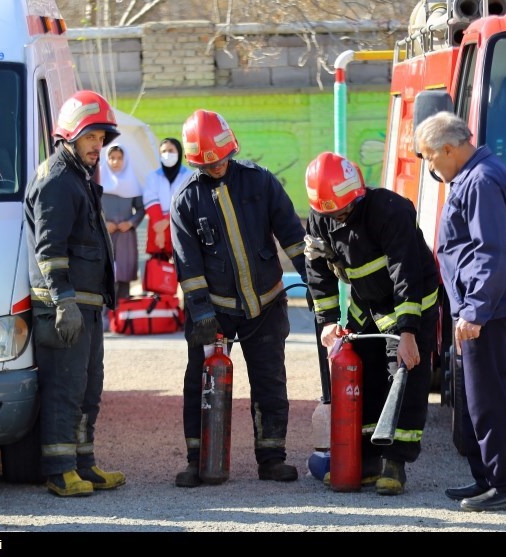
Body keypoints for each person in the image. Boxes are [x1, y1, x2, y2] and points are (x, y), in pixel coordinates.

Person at [170, 109, 308, 487]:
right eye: (207, 163)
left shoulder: (260, 182)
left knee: (269, 381)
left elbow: (293, 236)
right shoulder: (185, 200)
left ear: (230, 149)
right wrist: (201, 315)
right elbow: (188, 266)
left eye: (220, 158)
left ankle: (271, 459)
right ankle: (198, 461)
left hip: (265, 304)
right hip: (215, 311)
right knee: (200, 385)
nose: (216, 166)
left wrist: (318, 284)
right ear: (196, 161)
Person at [414, 111, 506, 512]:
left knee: (488, 400)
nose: (430, 167)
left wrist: (475, 312)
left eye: (430, 158)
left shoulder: (480, 181)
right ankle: (486, 479)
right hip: (478, 308)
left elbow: (491, 253)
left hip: (488, 311)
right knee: (474, 399)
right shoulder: (475, 175)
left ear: (449, 148)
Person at [303, 151, 439, 496]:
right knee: (365, 382)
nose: (339, 217)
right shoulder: (320, 217)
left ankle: (395, 463)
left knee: (404, 382)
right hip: (368, 308)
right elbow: (317, 273)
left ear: (357, 194)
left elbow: (405, 272)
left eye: (344, 210)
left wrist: (408, 332)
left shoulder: (389, 211)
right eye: (331, 212)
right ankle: (364, 462)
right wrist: (328, 322)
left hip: (412, 305)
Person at [24, 90, 126, 497]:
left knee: (88, 386)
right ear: (69, 135)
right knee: (65, 388)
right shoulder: (56, 180)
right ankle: (61, 470)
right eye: (90, 138)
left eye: (102, 138)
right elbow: (50, 250)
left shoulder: (78, 176)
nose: (98, 146)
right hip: (63, 306)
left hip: (84, 303)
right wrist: (63, 301)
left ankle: (84, 464)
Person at [99, 144, 145, 301]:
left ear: (125, 160)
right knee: (104, 273)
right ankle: (105, 316)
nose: (115, 162)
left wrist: (130, 223)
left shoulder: (133, 182)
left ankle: (123, 315)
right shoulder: (98, 183)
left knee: (125, 272)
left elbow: (140, 209)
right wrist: (104, 224)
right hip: (105, 234)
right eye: (112, 158)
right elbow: (92, 209)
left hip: (126, 235)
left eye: (119, 158)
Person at [143, 137, 192, 258]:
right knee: (160, 269)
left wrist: (166, 220)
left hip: (181, 226)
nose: (167, 154)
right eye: (163, 151)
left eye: (171, 150)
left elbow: (186, 203)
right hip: (157, 228)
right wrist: (160, 229)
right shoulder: (153, 176)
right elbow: (150, 200)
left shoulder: (189, 175)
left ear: (179, 152)